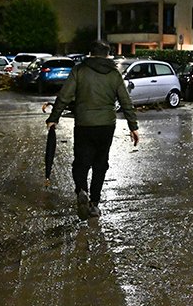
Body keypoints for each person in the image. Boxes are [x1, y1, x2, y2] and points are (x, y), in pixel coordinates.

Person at [46, 40, 140, 219]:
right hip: (106, 126)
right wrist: (133, 126)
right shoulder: (114, 74)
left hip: (84, 125)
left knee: (81, 162)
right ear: (107, 55)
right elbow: (126, 101)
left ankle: (82, 190)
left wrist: (54, 118)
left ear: (90, 54)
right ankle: (94, 203)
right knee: (100, 164)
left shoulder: (79, 70)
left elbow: (64, 96)